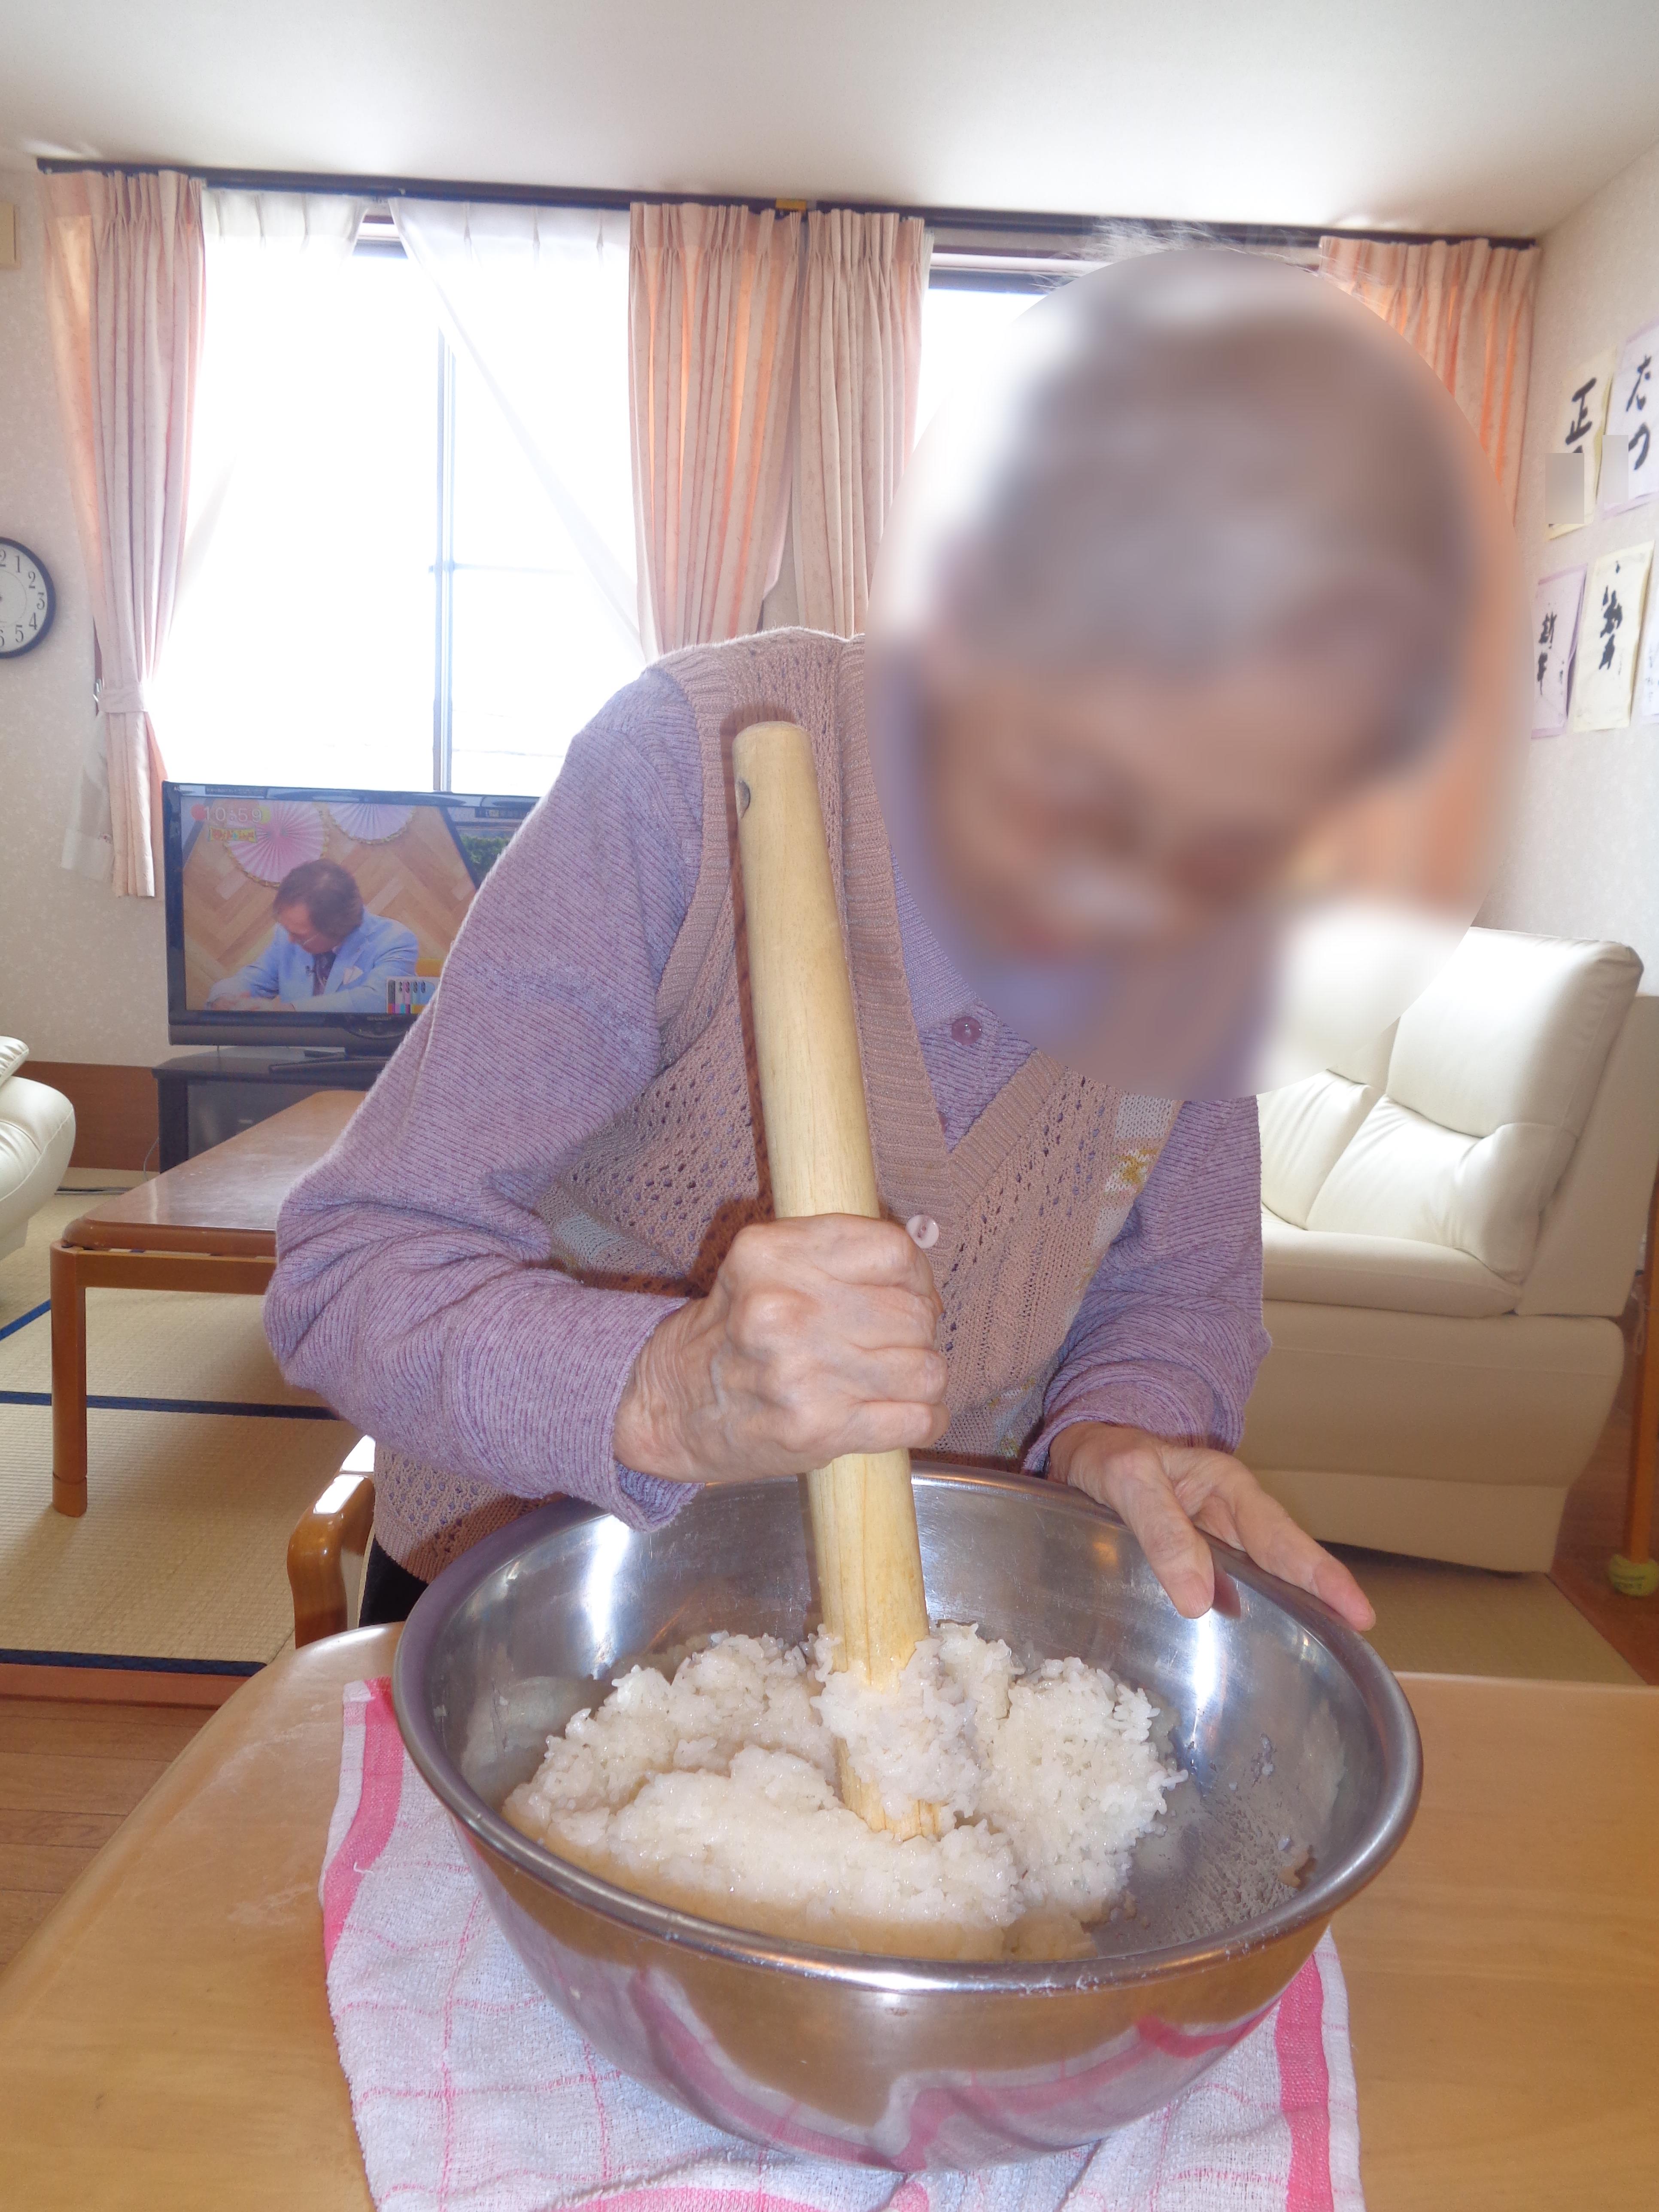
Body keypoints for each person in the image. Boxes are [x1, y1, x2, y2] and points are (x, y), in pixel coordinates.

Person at [264, 253, 1499, 1635]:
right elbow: (350, 1270)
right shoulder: (689, 770)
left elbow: (1176, 1294)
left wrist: (1119, 1429)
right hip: (533, 1594)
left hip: (936, 1614)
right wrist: (669, 1388)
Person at [207, 859, 418, 1016]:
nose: (291, 940)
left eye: (300, 936)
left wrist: (290, 1010)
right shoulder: (287, 936)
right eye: (288, 930)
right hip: (293, 1056)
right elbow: (254, 979)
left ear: (337, 928)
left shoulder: (397, 941)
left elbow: (382, 1001)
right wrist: (224, 998)